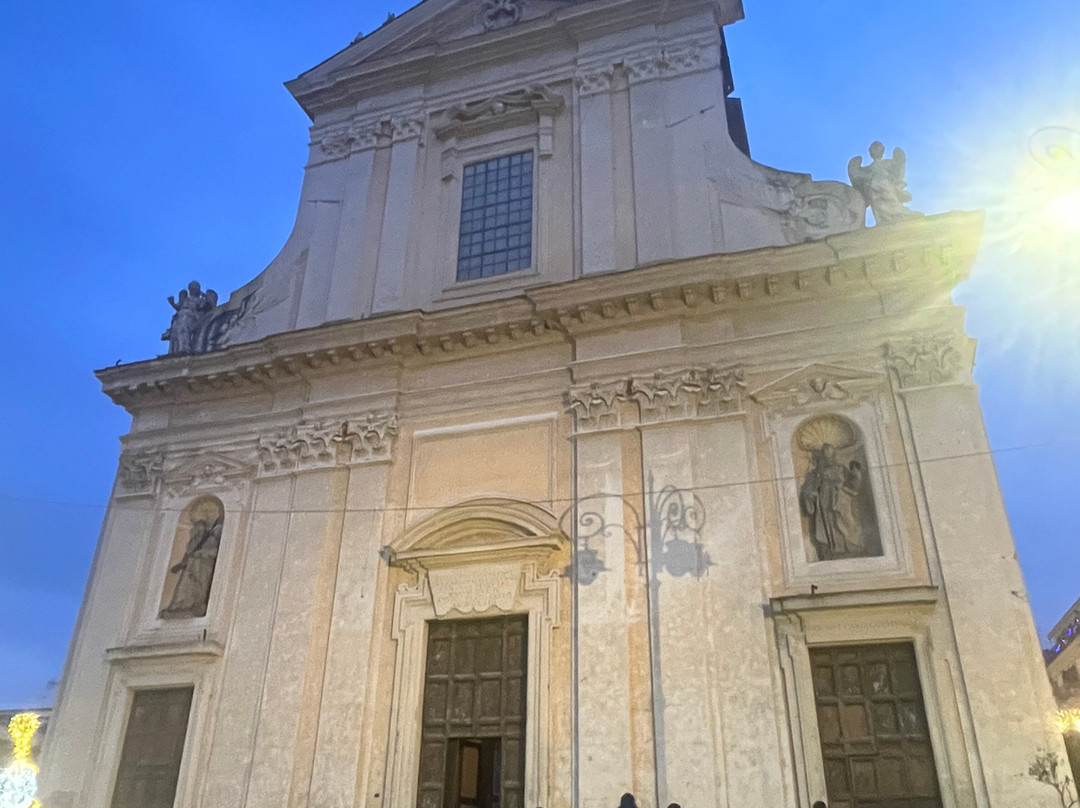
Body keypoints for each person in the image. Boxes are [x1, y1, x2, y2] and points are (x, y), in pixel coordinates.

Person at [161, 516, 223, 618]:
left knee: (199, 584)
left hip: (205, 564)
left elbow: (218, 551)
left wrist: (202, 554)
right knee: (186, 583)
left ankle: (195, 605)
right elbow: (192, 549)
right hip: (194, 562)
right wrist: (183, 563)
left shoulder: (218, 530)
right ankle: (180, 605)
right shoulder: (204, 532)